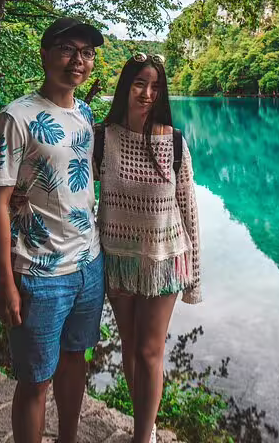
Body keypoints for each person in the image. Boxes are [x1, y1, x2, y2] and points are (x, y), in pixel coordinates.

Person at [0, 17, 105, 443]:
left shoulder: (86, 112)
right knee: (35, 381)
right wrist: (6, 284)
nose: (79, 60)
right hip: (39, 273)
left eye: (87, 53)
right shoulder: (17, 117)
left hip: (89, 265)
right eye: (69, 49)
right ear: (45, 53)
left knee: (76, 363)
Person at [95, 52, 201, 443]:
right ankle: (148, 424)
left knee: (148, 352)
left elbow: (189, 210)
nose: (147, 93)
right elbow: (72, 189)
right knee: (129, 347)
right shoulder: (102, 139)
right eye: (140, 83)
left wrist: (195, 277)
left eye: (155, 86)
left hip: (165, 261)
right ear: (126, 86)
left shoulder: (173, 142)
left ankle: (143, 438)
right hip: (118, 260)